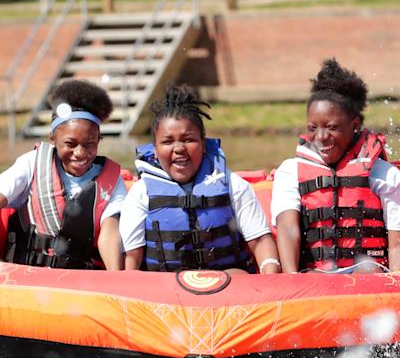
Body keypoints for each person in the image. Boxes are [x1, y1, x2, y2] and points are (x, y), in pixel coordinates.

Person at [0, 79, 125, 271]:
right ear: (53, 138)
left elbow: (109, 232)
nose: (80, 153)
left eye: (90, 144)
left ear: (98, 140)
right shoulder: (32, 163)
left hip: (79, 278)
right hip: (29, 275)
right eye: (70, 144)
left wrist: (116, 280)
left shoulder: (111, 180)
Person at [272, 59, 400, 273]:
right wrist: (291, 281)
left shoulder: (385, 175)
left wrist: (397, 289)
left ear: (355, 125)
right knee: (314, 278)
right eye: (313, 128)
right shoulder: (290, 171)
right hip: (314, 279)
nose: (321, 137)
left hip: (369, 274)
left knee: (368, 272)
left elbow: (398, 243)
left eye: (332, 127)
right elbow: (287, 227)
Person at [120, 85, 280, 274]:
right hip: (165, 290)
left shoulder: (232, 184)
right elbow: (131, 258)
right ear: (155, 150)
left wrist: (270, 274)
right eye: (168, 141)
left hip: (228, 283)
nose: (179, 148)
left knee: (237, 274)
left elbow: (260, 240)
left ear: (203, 144)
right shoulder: (141, 193)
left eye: (188, 139)